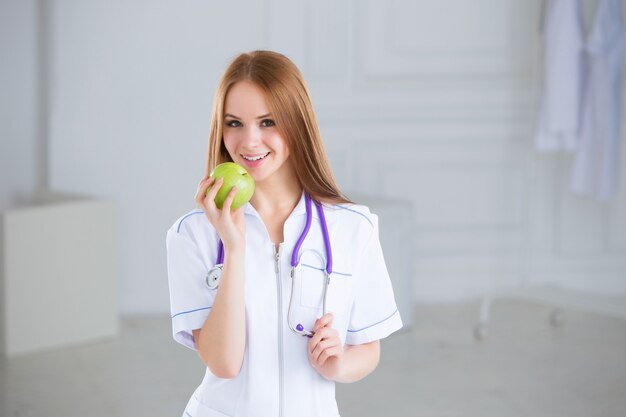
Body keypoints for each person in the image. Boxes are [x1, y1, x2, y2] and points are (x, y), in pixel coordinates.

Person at [166, 50, 402, 417]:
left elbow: (368, 349)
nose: (249, 142)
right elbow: (224, 364)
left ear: (297, 122)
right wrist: (234, 246)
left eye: (268, 122)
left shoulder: (353, 228)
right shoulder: (192, 235)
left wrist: (336, 364)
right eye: (234, 123)